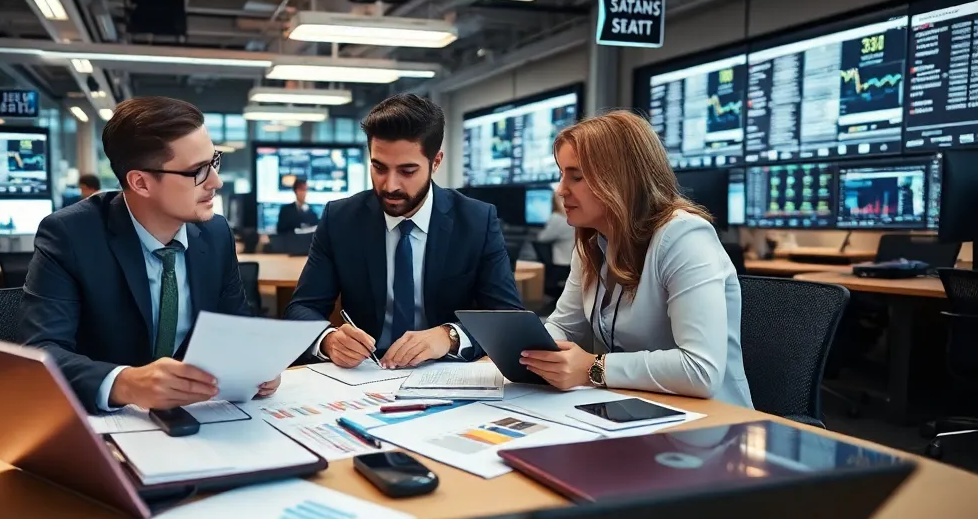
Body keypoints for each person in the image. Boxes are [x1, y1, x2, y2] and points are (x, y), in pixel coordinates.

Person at [20, 96, 279, 414]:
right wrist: (125, 384)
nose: (216, 181)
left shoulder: (215, 233)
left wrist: (257, 364)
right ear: (141, 183)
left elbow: (237, 329)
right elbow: (43, 351)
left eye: (214, 161)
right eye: (198, 171)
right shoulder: (70, 235)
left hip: (198, 414)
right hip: (107, 421)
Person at [519, 111, 752, 408]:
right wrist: (526, 352)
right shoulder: (592, 243)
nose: (561, 190)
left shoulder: (683, 236)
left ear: (619, 179)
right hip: (632, 409)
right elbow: (565, 327)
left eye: (576, 177)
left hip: (711, 420)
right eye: (562, 175)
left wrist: (593, 367)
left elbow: (700, 369)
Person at [286, 94, 524, 369]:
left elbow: (508, 318)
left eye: (407, 171)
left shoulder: (476, 221)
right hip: (364, 374)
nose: (390, 186)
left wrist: (449, 336)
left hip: (445, 372)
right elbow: (301, 308)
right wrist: (328, 340)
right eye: (379, 168)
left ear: (436, 162)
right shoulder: (340, 219)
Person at [534, 189, 575, 266]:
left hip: (561, 264)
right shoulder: (576, 217)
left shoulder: (557, 218)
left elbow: (542, 238)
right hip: (573, 262)